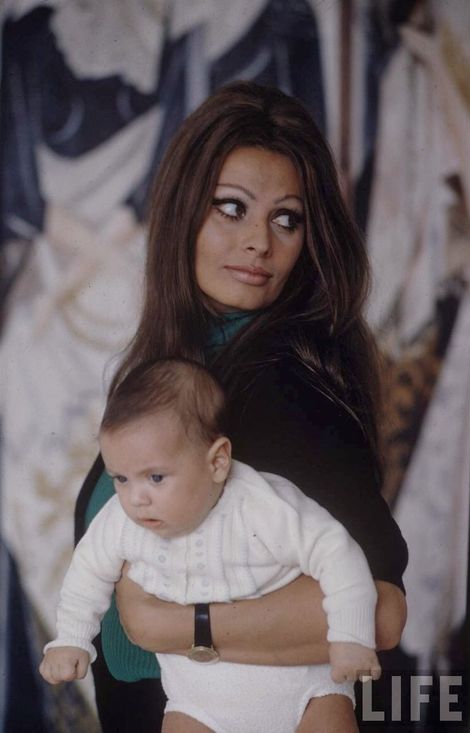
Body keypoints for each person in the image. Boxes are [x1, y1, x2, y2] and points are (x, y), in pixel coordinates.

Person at [74, 81, 408, 732]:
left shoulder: (287, 385)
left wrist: (179, 624)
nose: (260, 241)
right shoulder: (179, 375)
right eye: (233, 208)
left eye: (287, 218)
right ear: (184, 213)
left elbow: (383, 609)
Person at [42, 358, 382, 732]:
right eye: (121, 478)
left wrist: (351, 636)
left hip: (306, 690)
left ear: (218, 462)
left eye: (155, 477)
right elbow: (87, 571)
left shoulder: (263, 504)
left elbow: (336, 551)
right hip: (199, 703)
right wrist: (71, 639)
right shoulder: (121, 521)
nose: (136, 498)